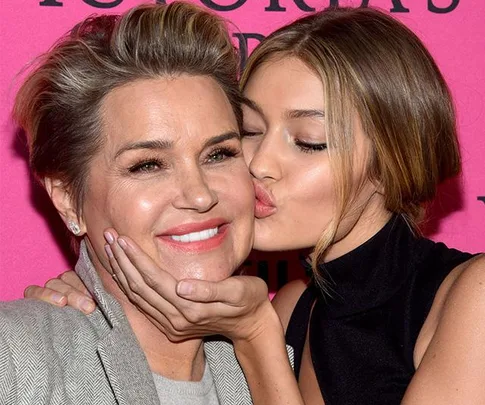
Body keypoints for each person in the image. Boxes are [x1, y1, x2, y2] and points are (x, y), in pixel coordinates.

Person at [26, 6, 485, 405]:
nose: (259, 164)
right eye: (248, 132)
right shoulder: (292, 308)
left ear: (394, 160)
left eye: (309, 142)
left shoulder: (472, 296)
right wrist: (81, 303)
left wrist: (257, 337)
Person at [1, 3, 302, 405]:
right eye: (148, 165)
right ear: (68, 200)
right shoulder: (17, 359)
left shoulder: (285, 365)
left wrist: (259, 335)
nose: (200, 195)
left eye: (219, 154)